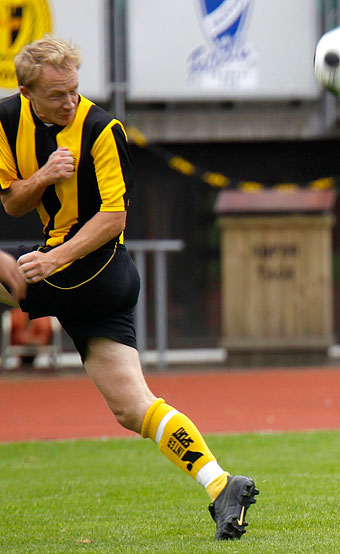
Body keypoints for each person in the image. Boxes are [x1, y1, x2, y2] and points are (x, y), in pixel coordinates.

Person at [0, 37, 258, 540]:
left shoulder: (101, 129)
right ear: (27, 92)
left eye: (74, 90)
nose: (70, 102)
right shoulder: (7, 121)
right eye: (57, 95)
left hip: (93, 271)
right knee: (132, 408)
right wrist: (45, 175)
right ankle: (221, 485)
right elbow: (11, 202)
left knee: (11, 274)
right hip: (77, 275)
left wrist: (50, 259)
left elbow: (113, 215)